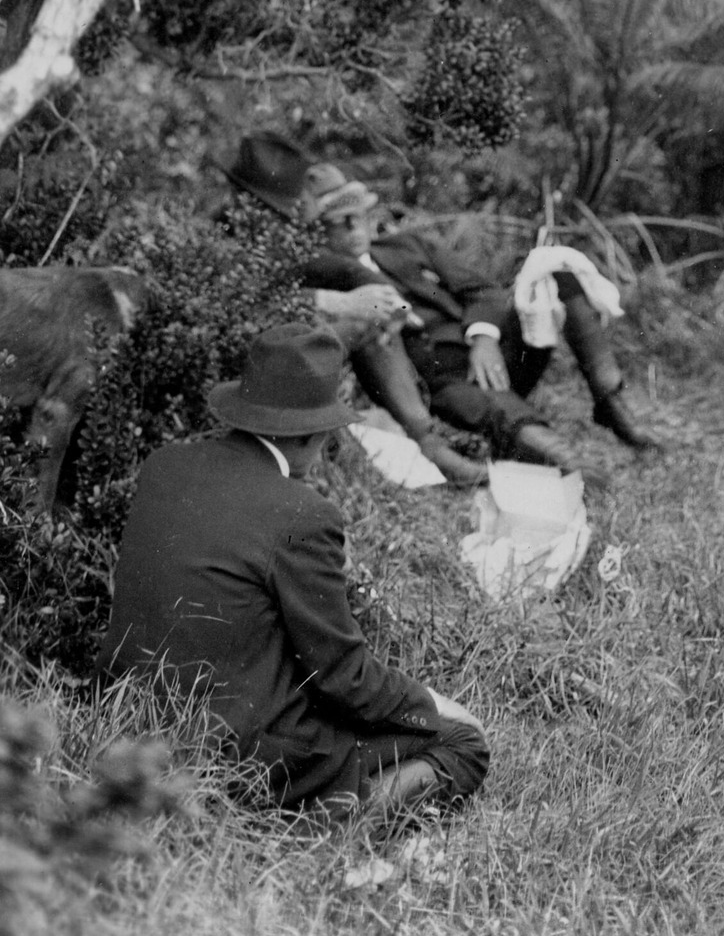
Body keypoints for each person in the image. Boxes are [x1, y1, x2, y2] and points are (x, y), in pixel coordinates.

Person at [98, 323, 490, 817]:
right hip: (241, 756)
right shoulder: (302, 514)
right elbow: (347, 683)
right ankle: (336, 830)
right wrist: (432, 704)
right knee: (464, 745)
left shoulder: (165, 465)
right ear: (314, 431)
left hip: (136, 726)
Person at [300, 167, 664, 475]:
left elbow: (481, 289)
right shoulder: (326, 281)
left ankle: (611, 402)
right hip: (442, 384)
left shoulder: (406, 246)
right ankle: (573, 465)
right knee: (497, 412)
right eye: (338, 223)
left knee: (556, 270)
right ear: (319, 233)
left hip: (494, 356)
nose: (353, 227)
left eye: (357, 215)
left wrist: (484, 337)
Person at [221, 133, 485, 487]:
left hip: (286, 348)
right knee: (345, 320)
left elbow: (337, 268)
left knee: (371, 318)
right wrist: (336, 302)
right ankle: (343, 452)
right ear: (247, 200)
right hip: (244, 362)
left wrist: (386, 297)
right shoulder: (222, 237)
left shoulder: (282, 232)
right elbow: (244, 303)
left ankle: (428, 441)